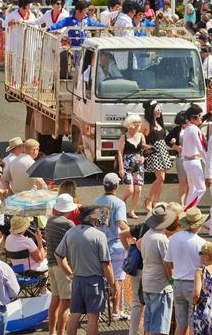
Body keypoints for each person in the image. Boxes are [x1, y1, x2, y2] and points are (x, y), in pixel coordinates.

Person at [55, 206, 115, 335]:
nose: (100, 214)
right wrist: (112, 284)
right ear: (91, 217)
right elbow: (106, 264)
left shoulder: (71, 232)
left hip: (77, 280)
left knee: (74, 315)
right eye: (97, 212)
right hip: (94, 281)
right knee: (93, 317)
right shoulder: (99, 235)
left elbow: (58, 255)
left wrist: (69, 273)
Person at [93, 173, 129, 321]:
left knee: (103, 279)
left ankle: (102, 307)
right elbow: (120, 223)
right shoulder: (119, 203)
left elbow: (99, 223)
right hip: (115, 246)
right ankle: (116, 311)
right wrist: (133, 234)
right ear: (116, 186)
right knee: (117, 280)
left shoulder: (97, 201)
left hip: (100, 245)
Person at [165, 207, 206, 335]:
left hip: (177, 283)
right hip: (193, 285)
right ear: (197, 225)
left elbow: (167, 262)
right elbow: (204, 266)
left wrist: (171, 279)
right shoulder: (201, 242)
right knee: (193, 322)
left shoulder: (174, 238)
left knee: (181, 323)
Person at [141, 203, 178, 335]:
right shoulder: (162, 240)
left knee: (149, 322)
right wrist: (172, 282)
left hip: (147, 282)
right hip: (160, 285)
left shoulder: (146, 235)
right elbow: (167, 265)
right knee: (160, 324)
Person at [46, 194, 77, 335]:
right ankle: (60, 333)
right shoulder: (68, 224)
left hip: (51, 264)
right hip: (63, 266)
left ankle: (52, 332)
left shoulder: (50, 221)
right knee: (66, 303)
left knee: (55, 300)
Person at [142, 101, 172, 211]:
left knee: (162, 180)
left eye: (160, 109)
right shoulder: (145, 123)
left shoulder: (158, 122)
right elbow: (140, 136)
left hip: (162, 150)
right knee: (160, 178)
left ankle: (155, 202)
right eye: (156, 110)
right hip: (154, 151)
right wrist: (144, 146)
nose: (159, 112)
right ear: (151, 111)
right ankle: (148, 201)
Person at [191, 241, 212, 335]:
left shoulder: (200, 271)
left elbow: (196, 293)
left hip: (205, 308)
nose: (199, 255)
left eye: (200, 253)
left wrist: (193, 304)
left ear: (206, 256)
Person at [118, 114, 146, 219]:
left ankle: (132, 211)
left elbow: (143, 150)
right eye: (136, 123)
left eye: (139, 123)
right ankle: (120, 204)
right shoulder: (124, 137)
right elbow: (120, 153)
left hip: (138, 165)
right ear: (130, 125)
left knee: (138, 189)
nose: (138, 125)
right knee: (130, 189)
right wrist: (121, 168)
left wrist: (143, 157)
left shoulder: (141, 136)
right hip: (127, 164)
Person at [182, 104, 207, 211]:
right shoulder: (194, 129)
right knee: (201, 189)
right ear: (193, 118)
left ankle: (187, 211)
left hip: (188, 161)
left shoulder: (188, 128)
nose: (201, 117)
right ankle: (187, 210)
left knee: (193, 189)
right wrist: (208, 162)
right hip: (193, 161)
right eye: (199, 116)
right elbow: (200, 147)